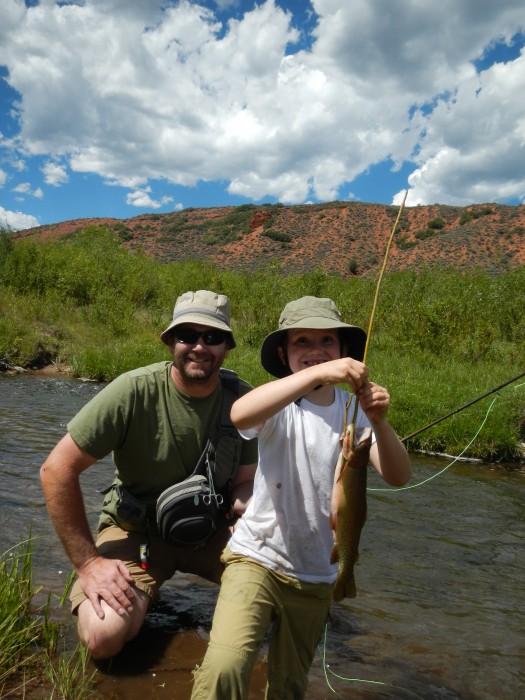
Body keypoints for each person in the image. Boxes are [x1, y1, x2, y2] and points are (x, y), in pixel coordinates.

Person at [191, 296, 411, 699]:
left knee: (289, 685)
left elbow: (398, 475)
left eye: (327, 340)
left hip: (315, 575)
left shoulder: (353, 411)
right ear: (283, 354)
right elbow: (241, 414)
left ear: (344, 351)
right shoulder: (280, 402)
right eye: (302, 342)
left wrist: (379, 422)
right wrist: (318, 374)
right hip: (255, 557)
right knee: (224, 668)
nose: (315, 350)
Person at [40, 290, 258, 660]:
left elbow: (245, 481)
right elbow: (56, 470)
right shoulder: (132, 391)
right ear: (171, 340)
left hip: (211, 533)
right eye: (188, 335)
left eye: (213, 337)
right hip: (136, 532)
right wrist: (88, 563)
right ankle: (136, 597)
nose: (199, 347)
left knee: (288, 593)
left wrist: (247, 514)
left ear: (227, 347)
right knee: (102, 636)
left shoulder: (244, 400)